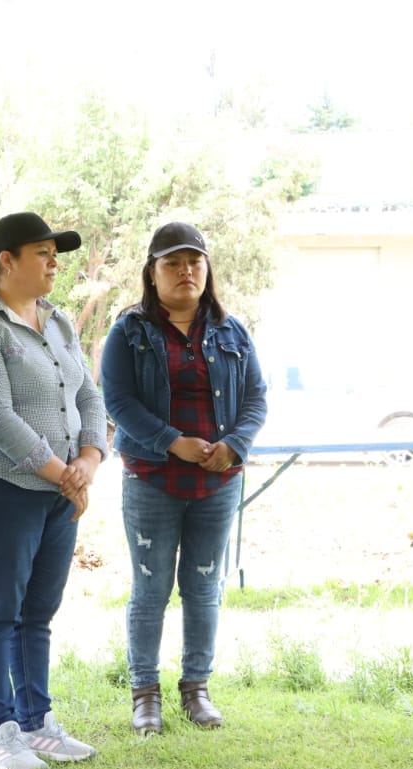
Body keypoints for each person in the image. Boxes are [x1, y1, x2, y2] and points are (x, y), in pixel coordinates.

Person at [0, 212, 108, 769]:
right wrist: (60, 472)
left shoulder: (58, 320)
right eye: (42, 252)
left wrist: (87, 461)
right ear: (5, 262)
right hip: (6, 487)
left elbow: (89, 396)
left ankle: (37, 722)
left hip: (62, 490)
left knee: (38, 612)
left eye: (54, 253)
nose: (54, 263)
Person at [100, 222, 267, 735]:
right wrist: (174, 441)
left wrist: (234, 446)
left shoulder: (231, 331)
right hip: (152, 478)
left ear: (207, 269)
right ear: (152, 273)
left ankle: (196, 689)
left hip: (218, 483)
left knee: (204, 587)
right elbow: (118, 401)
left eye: (194, 261)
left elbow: (257, 397)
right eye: (172, 263)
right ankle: (144, 693)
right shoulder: (129, 331)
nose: (185, 271)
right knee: (150, 589)